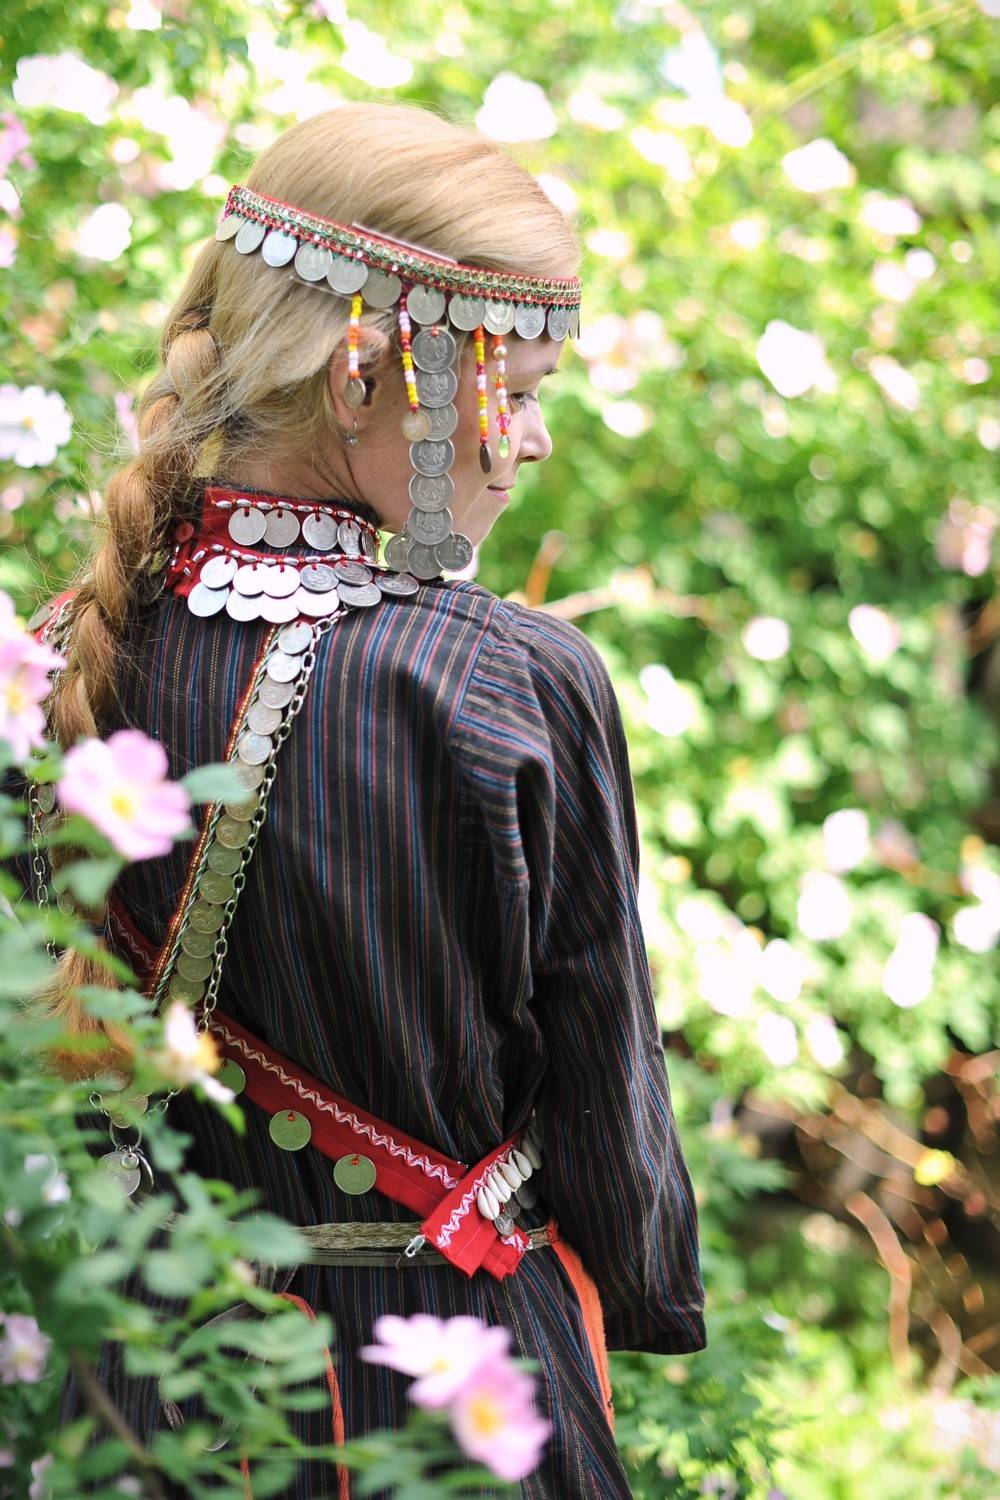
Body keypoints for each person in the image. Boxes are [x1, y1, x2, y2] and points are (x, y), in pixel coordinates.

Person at [28, 100, 707, 1497]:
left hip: (132, 1398)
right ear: (357, 377)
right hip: (441, 1394)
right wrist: (642, 1284)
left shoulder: (39, 667)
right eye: (514, 389)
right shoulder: (508, 684)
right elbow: (606, 1099)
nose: (530, 440)